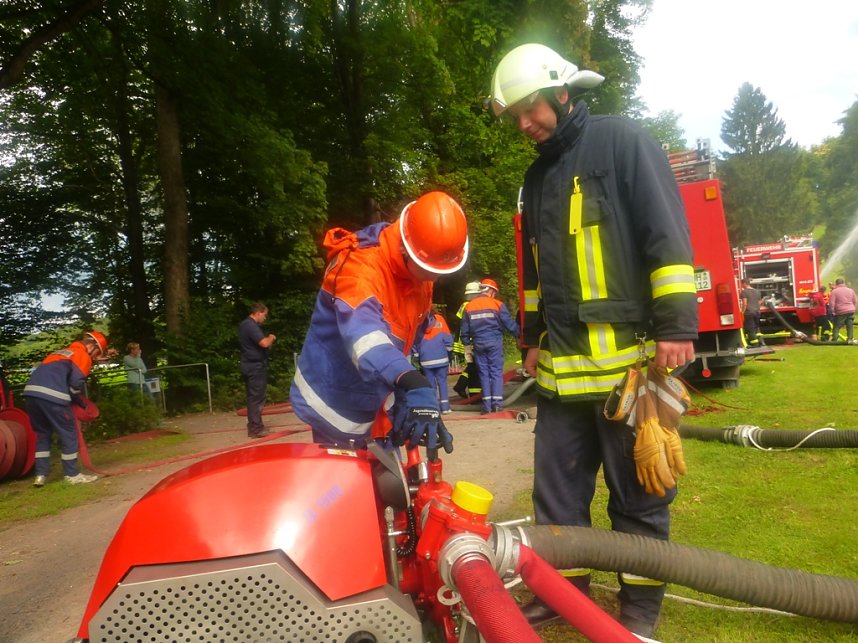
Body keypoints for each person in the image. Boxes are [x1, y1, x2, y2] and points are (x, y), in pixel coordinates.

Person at [490, 43, 698, 637]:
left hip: (628, 369)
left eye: (529, 109)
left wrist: (677, 326)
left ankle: (638, 617)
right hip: (560, 377)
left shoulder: (623, 142)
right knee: (557, 501)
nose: (524, 125)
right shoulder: (536, 177)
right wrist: (530, 337)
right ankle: (560, 595)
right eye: (515, 117)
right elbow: (535, 273)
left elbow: (666, 235)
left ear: (562, 91)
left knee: (640, 499)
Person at [290, 191, 468, 452]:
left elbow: (408, 334)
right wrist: (410, 380)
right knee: (350, 487)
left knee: (392, 483)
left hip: (378, 390)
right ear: (406, 251)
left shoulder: (421, 275)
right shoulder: (360, 270)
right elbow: (365, 339)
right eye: (429, 270)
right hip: (336, 401)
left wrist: (404, 391)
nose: (434, 278)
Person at [22, 331, 110, 486]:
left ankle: (40, 475)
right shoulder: (81, 355)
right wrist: (80, 402)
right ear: (92, 346)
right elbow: (76, 384)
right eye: (97, 353)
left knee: (43, 434)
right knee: (69, 433)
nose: (95, 358)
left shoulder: (59, 353)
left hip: (31, 395)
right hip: (53, 395)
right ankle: (72, 475)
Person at [460, 278, 520, 414]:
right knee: (496, 373)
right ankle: (497, 405)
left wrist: (467, 345)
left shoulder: (469, 306)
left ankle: (486, 407)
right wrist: (520, 334)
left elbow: (464, 331)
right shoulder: (497, 304)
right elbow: (509, 325)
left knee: (484, 374)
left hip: (478, 343)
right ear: (491, 291)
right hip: (494, 342)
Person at [239, 303, 276, 438]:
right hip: (255, 367)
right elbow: (264, 343)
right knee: (257, 398)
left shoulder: (244, 325)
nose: (265, 318)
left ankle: (254, 426)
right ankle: (256, 429)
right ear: (258, 313)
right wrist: (271, 337)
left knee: (252, 397)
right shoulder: (250, 325)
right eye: (264, 315)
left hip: (249, 365)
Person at [412, 307, 454, 413]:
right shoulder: (439, 319)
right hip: (441, 357)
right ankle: (445, 407)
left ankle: (433, 407)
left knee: (430, 384)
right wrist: (449, 351)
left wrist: (416, 354)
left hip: (426, 359)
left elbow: (414, 340)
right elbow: (447, 337)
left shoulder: (418, 322)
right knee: (442, 382)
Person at [452, 281, 484, 399]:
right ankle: (473, 393)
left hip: (464, 340)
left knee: (472, 366)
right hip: (469, 341)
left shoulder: (463, 305)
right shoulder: (470, 305)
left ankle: (461, 386)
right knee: (474, 367)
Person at [829, 278, 857, 344]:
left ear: (836, 283)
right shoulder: (851, 290)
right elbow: (855, 301)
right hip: (850, 310)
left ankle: (834, 339)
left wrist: (833, 312)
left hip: (840, 311)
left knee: (836, 326)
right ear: (843, 283)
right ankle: (850, 339)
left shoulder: (834, 291)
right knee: (850, 325)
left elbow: (832, 303)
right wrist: (854, 308)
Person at [739, 278, 763, 346]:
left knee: (750, 329)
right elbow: (759, 302)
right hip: (757, 312)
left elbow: (745, 303)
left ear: (744, 283)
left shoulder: (744, 292)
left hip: (749, 313)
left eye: (742, 284)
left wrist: (742, 312)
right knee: (757, 328)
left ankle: (754, 344)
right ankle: (761, 343)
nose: (741, 286)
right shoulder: (757, 291)